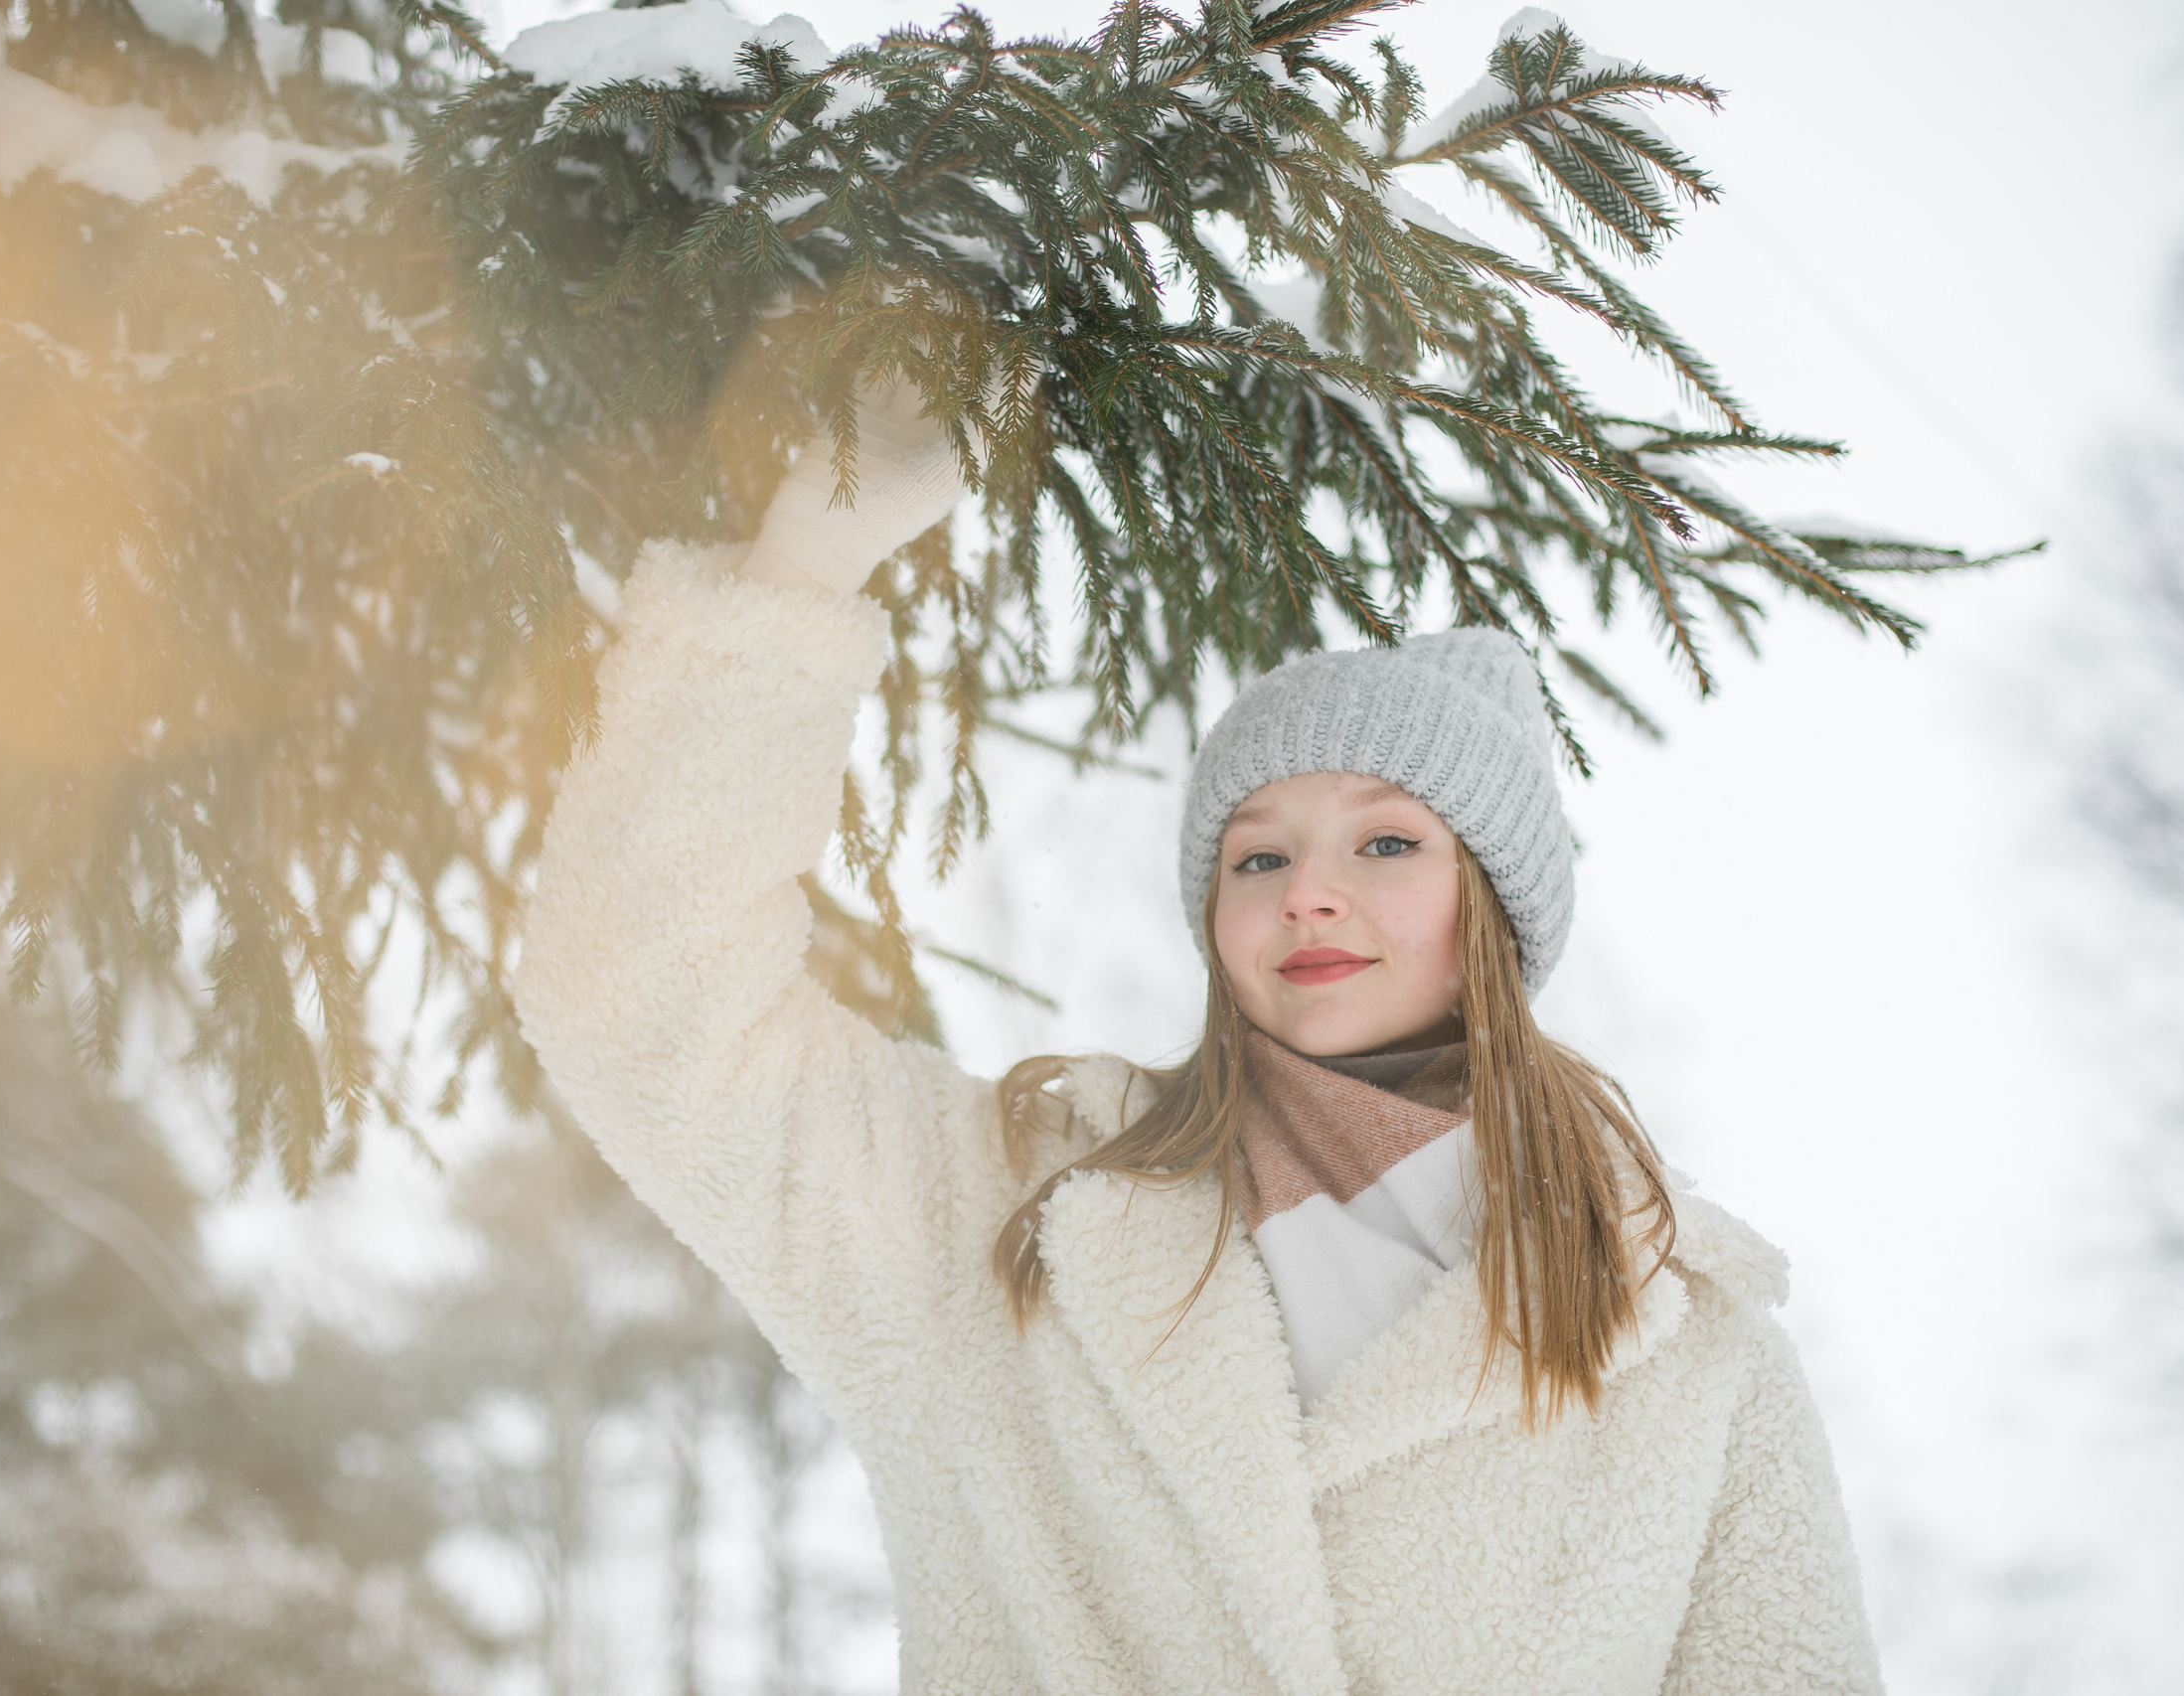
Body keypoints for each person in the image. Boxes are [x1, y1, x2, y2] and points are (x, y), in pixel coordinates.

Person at [513, 380, 1882, 1695]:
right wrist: (800, 574)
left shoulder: (1691, 1353)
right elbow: (643, 1010)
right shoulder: (1005, 1218)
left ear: (1497, 912)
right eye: (1256, 858)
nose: (1310, 893)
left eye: (1387, 841)